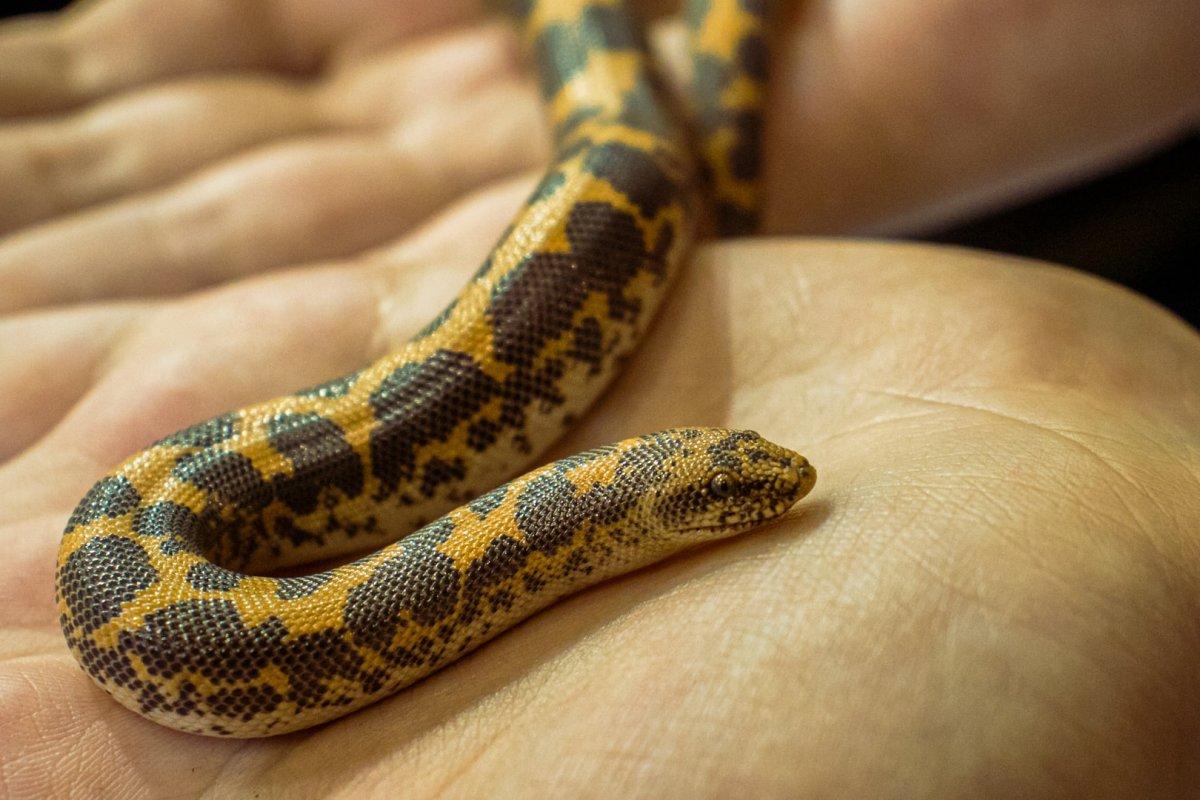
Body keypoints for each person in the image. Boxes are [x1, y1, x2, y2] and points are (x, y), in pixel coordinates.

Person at [1, 1, 1198, 796]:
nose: (767, 487)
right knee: (633, 149)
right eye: (727, 485)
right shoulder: (175, 590)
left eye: (731, 476)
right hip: (157, 553)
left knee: (634, 147)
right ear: (634, 515)